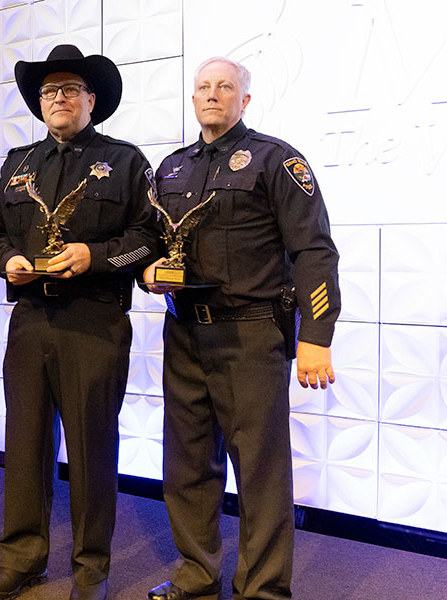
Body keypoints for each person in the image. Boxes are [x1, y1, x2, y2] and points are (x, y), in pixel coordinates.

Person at [141, 57, 340, 600]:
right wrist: (147, 272)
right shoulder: (172, 168)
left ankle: (263, 589)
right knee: (186, 465)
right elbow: (153, 243)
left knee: (260, 472)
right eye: (203, 87)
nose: (212, 94)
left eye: (225, 87)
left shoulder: (277, 159)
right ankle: (196, 574)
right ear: (193, 98)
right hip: (184, 334)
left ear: (244, 99)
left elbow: (314, 251)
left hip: (251, 336)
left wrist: (315, 335)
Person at [0, 45, 161, 600]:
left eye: (71, 89)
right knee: (25, 446)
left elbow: (150, 238)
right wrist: (6, 260)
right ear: (40, 103)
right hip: (31, 320)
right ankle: (23, 557)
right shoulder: (17, 164)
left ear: (91, 100)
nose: (59, 97)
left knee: (90, 450)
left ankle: (90, 569)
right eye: (49, 90)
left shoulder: (125, 162)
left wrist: (95, 256)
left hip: (94, 322)